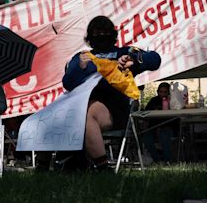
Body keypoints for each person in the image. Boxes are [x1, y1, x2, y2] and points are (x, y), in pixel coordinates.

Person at [62, 15, 161, 170]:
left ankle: (102, 168)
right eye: (97, 33)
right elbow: (68, 83)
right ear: (90, 37)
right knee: (52, 115)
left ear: (113, 35)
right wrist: (80, 67)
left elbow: (155, 60)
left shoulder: (123, 52)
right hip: (82, 107)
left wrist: (134, 59)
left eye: (105, 32)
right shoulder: (82, 57)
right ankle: (45, 165)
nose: (101, 36)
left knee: (87, 111)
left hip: (115, 109)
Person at [142, 82, 176, 163]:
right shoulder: (153, 100)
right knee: (146, 138)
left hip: (169, 127)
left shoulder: (173, 101)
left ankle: (167, 161)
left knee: (164, 135)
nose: (162, 94)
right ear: (158, 92)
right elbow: (146, 113)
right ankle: (157, 160)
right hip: (153, 127)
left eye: (165, 92)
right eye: (160, 92)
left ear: (169, 92)